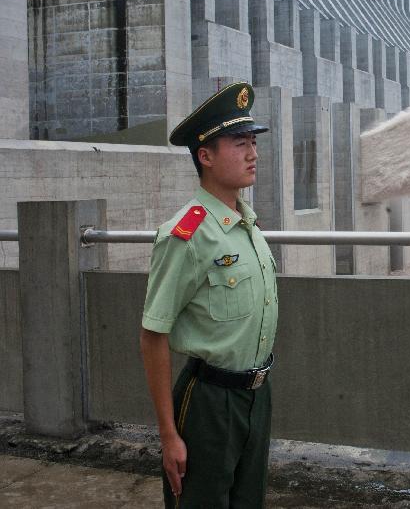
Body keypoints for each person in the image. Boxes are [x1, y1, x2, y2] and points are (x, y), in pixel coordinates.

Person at [140, 82, 279, 508]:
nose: (253, 153)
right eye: (240, 144)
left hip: (256, 395)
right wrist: (169, 436)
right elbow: (153, 334)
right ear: (206, 156)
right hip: (207, 402)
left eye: (253, 142)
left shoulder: (248, 226)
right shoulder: (187, 234)